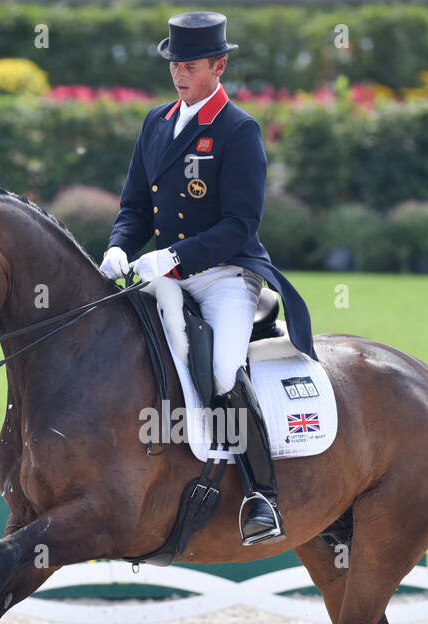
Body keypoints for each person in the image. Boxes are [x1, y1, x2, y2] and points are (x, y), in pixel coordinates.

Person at [101, 10, 315, 546]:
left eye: (191, 65)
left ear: (218, 66)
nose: (180, 73)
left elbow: (240, 223)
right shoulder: (155, 122)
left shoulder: (238, 130)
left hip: (224, 275)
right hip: (165, 273)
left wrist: (171, 258)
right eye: (175, 63)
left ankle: (262, 495)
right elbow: (134, 207)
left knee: (221, 370)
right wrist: (118, 248)